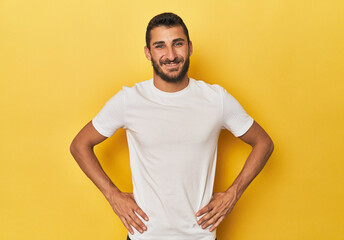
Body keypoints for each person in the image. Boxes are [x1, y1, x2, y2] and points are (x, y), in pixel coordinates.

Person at [70, 12, 274, 240]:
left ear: (190, 47)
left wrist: (233, 194)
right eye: (160, 46)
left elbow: (263, 142)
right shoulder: (129, 100)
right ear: (148, 52)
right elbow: (79, 145)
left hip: (200, 236)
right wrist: (112, 195)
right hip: (144, 236)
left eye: (178, 44)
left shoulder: (216, 99)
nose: (171, 55)